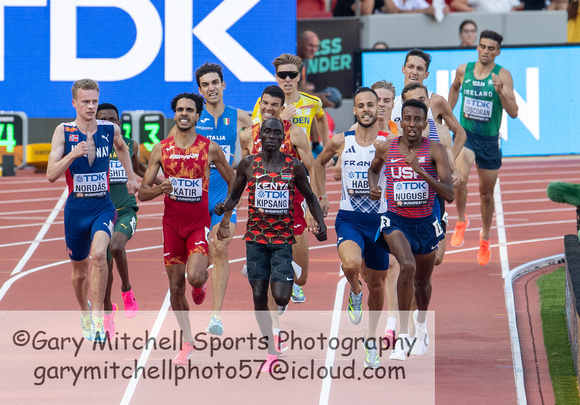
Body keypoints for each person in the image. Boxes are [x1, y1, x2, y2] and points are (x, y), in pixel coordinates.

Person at [215, 118, 327, 373]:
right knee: (258, 295)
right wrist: (225, 207)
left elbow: (309, 197)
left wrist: (322, 224)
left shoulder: (294, 167)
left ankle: (289, 273)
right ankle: (271, 350)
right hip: (255, 239)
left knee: (280, 296)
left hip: (281, 241)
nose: (273, 137)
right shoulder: (248, 164)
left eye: (278, 133)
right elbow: (234, 195)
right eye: (268, 132)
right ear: (261, 135)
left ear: (282, 137)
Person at [137, 92, 234, 364]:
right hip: (171, 227)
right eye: (179, 109)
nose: (184, 114)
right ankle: (188, 341)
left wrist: (225, 218)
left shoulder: (210, 148)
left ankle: (200, 283)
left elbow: (234, 180)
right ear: (174, 113)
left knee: (194, 278)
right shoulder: (160, 148)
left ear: (197, 115)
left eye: (189, 110)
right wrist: (160, 190)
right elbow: (142, 193)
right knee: (175, 287)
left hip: (197, 224)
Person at [46, 79, 139, 342]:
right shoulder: (63, 131)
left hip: (102, 206)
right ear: (74, 103)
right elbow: (51, 175)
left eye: (94, 101)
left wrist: (131, 177)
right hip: (76, 210)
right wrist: (72, 154)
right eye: (85, 102)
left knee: (99, 256)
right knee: (80, 272)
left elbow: (122, 147)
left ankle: (98, 319)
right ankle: (84, 311)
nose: (90, 106)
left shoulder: (109, 129)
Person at [166, 63, 253, 336]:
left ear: (223, 85)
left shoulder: (241, 118)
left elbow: (260, 146)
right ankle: (199, 282)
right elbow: (165, 152)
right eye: (205, 85)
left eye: (215, 82)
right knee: (195, 272)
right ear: (200, 90)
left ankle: (216, 316)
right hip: (193, 205)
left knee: (221, 248)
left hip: (224, 198)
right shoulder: (192, 119)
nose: (211, 88)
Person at [369, 99, 454, 360]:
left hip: (425, 223)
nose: (412, 124)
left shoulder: (435, 150)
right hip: (396, 220)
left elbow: (449, 194)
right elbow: (374, 169)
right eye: (407, 119)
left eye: (418, 119)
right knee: (406, 266)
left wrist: (422, 172)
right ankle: (403, 336)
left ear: (424, 122)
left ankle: (420, 327)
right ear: (400, 121)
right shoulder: (387, 148)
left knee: (422, 284)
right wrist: (374, 185)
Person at [315, 87, 391, 369]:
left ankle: (371, 340)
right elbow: (318, 164)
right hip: (351, 218)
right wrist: (320, 197)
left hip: (381, 223)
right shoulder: (340, 142)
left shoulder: (389, 142)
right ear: (355, 111)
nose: (368, 109)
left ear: (378, 109)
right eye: (362, 106)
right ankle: (355, 291)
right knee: (350, 264)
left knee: (379, 285)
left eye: (372, 105)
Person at [241, 85, 316, 352]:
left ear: (282, 106)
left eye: (275, 104)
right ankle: (274, 333)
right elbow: (245, 169)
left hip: (293, 211)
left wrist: (316, 200)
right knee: (269, 278)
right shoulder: (248, 135)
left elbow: (311, 165)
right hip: (262, 221)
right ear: (260, 104)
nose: (269, 108)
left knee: (302, 278)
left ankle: (288, 279)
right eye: (266, 104)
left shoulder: (294, 133)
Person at [252, 56, 328, 302]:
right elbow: (257, 135)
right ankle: (279, 281)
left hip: (298, 176)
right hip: (269, 180)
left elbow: (321, 121)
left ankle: (292, 278)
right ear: (276, 76)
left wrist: (326, 148)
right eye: (282, 74)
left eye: (292, 75)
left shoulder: (312, 102)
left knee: (301, 273)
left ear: (299, 76)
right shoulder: (265, 104)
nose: (287, 79)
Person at [448, 30, 518, 265]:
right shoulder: (463, 70)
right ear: (477, 47)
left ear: (498, 52)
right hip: (467, 136)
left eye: (491, 48)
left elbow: (514, 112)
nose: (485, 51)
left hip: (489, 141)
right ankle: (460, 220)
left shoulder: (503, 76)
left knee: (486, 194)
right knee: (459, 179)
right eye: (482, 46)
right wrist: (448, 114)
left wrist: (500, 91)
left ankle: (485, 237)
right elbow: (455, 88)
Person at [96, 103, 159, 336]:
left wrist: (160, 182)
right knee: (103, 264)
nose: (109, 124)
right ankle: (107, 311)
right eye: (103, 120)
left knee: (117, 245)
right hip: (101, 214)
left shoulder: (130, 144)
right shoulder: (92, 146)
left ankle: (127, 291)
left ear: (120, 123)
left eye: (113, 119)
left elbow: (139, 167)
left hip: (125, 211)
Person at [391, 49, 467, 160]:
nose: (414, 72)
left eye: (419, 69)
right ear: (403, 69)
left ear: (426, 74)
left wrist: (450, 163)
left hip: (430, 170)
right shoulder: (393, 104)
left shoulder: (436, 102)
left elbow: (460, 133)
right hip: (402, 169)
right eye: (410, 67)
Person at [296, 30, 341, 110]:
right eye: (310, 45)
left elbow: (301, 86)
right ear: (299, 44)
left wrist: (307, 87)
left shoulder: (305, 61)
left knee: (334, 96)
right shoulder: (292, 61)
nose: (313, 50)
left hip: (302, 97)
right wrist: (317, 98)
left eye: (316, 46)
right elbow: (292, 93)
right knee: (333, 97)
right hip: (292, 102)